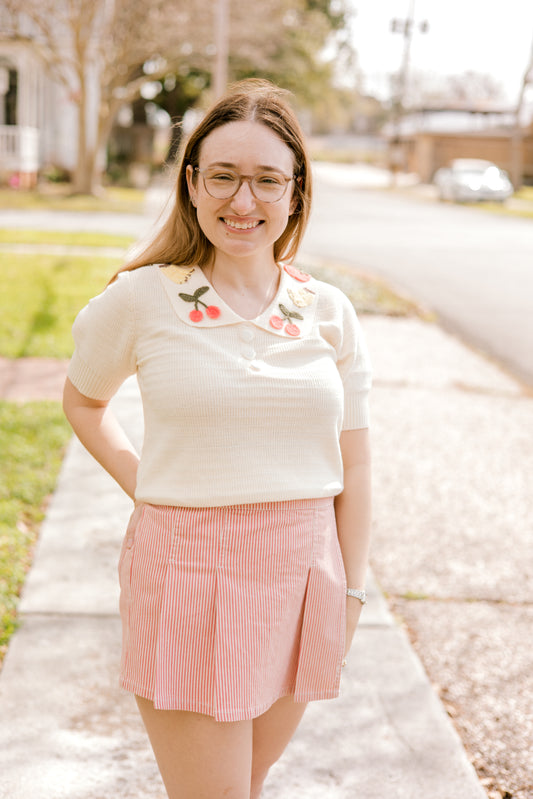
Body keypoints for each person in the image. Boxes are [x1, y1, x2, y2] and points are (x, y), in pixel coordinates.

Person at [63, 79, 372, 799]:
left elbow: (355, 459)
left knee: (250, 781)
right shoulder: (143, 298)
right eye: (224, 176)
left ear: (295, 192)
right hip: (190, 572)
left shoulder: (326, 310)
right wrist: (144, 481)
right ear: (192, 184)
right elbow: (83, 398)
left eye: (267, 180)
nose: (243, 201)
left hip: (303, 574)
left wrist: (350, 592)